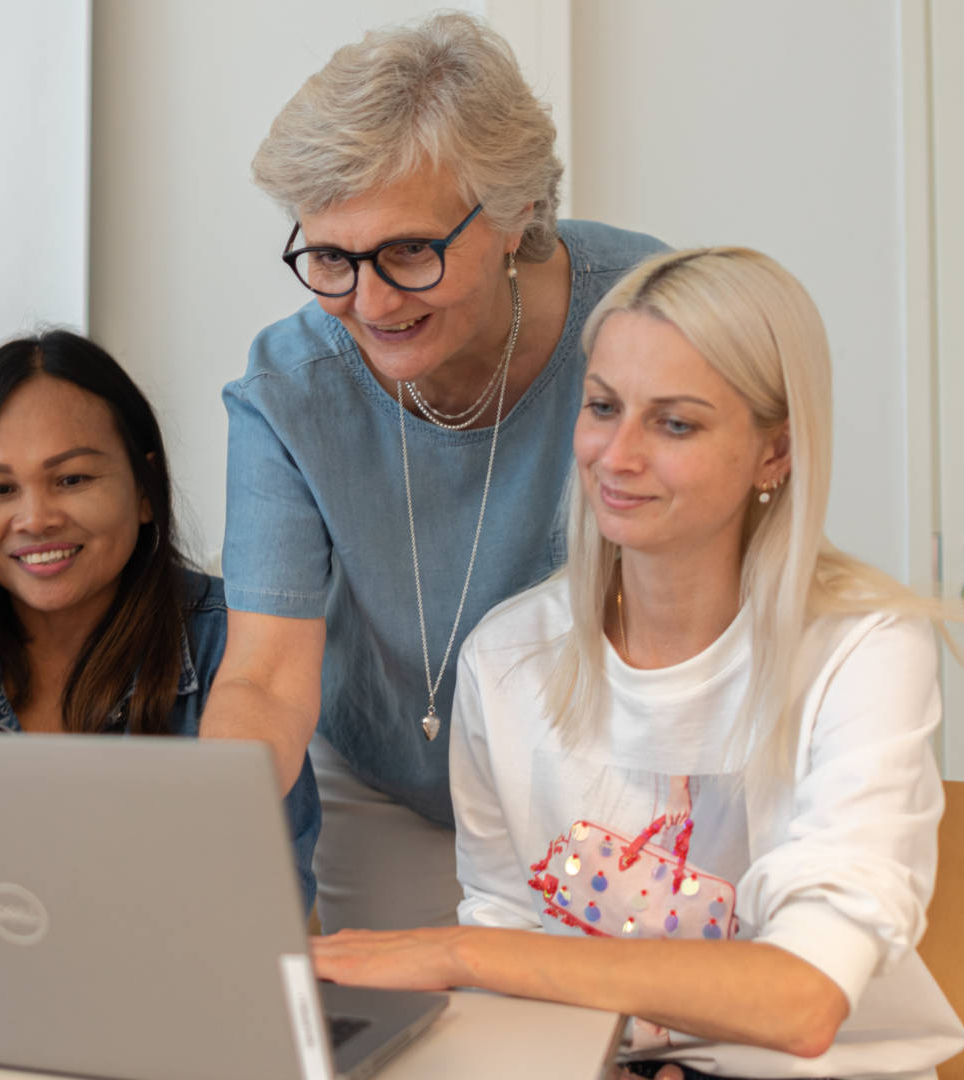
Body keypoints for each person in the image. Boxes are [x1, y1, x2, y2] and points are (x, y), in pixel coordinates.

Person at [311, 248, 964, 1080]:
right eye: (602, 407)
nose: (615, 457)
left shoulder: (865, 648)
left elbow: (801, 1002)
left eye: (675, 423)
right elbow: (511, 926)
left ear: (775, 454)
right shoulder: (507, 657)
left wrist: (459, 953)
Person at [201, 11, 666, 931]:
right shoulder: (290, 390)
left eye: (410, 251)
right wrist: (214, 829)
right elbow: (264, 679)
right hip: (382, 780)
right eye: (331, 257)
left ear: (515, 216)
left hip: (610, 782)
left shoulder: (646, 319)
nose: (369, 304)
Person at [0, 329, 319, 909]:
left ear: (145, 489)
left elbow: (265, 908)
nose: (35, 518)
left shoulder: (232, 639)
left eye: (72, 479)